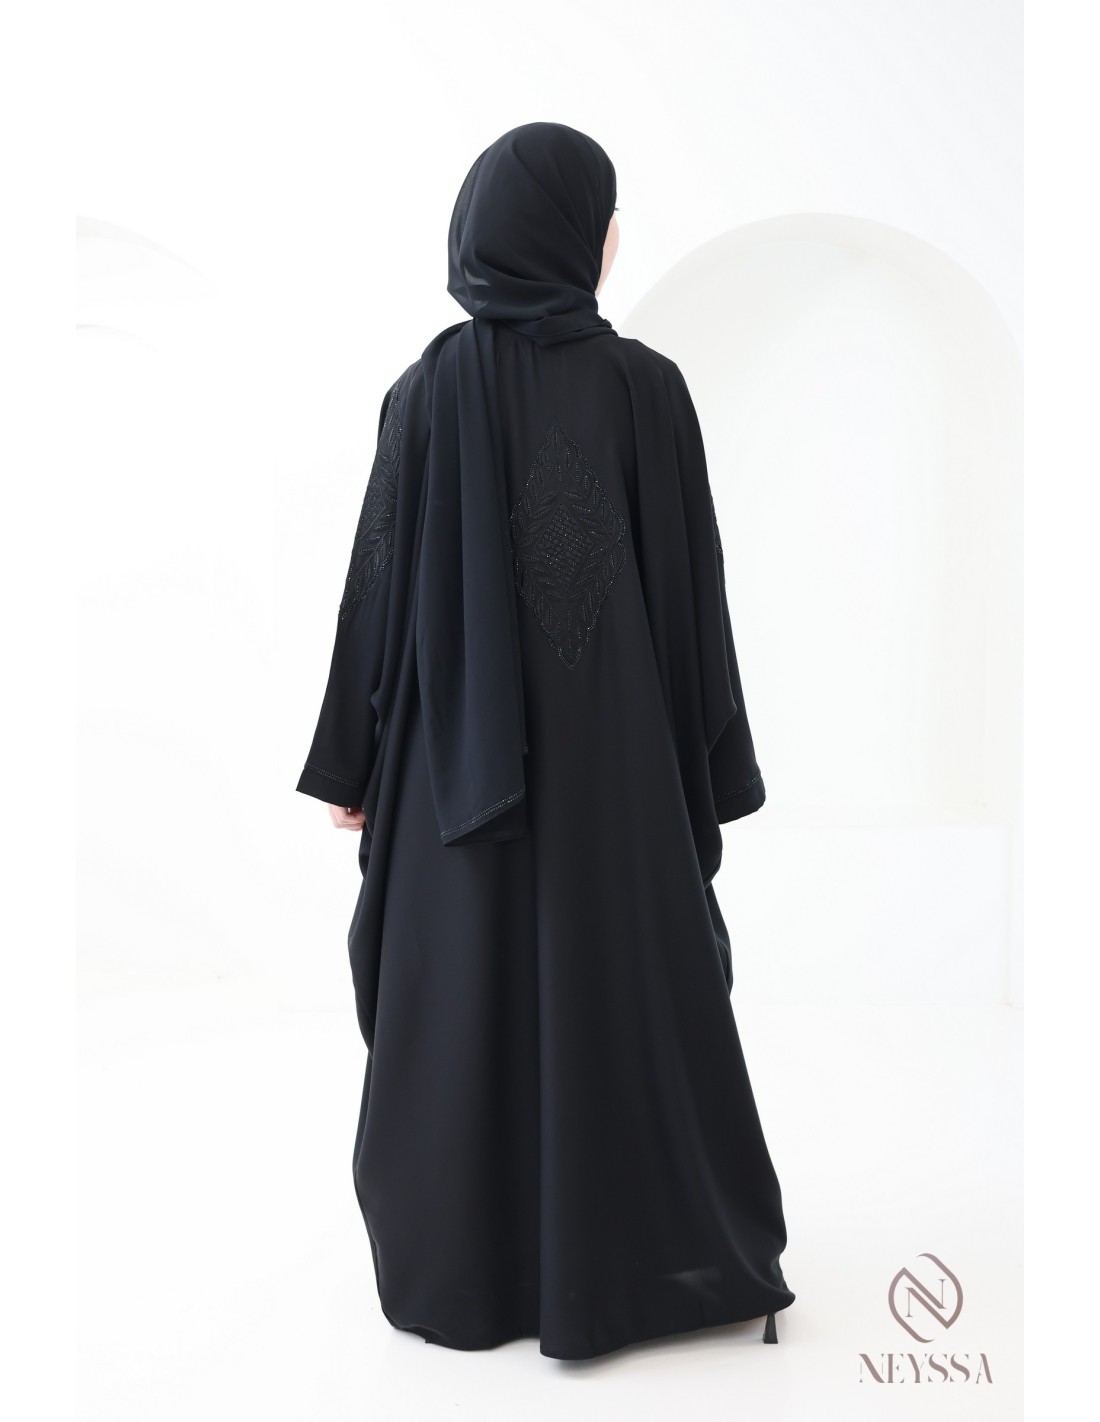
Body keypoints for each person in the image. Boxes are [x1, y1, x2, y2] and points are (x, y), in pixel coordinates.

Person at [295, 121, 795, 1361]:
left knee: (456, 1003)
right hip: (619, 781)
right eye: (607, 218)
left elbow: (375, 587)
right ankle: (637, 1259)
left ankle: (471, 1271)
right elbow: (690, 595)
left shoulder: (423, 393)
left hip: (447, 775)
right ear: (581, 237)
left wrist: (354, 762)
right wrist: (706, 769)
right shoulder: (645, 389)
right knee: (617, 993)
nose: (614, 238)